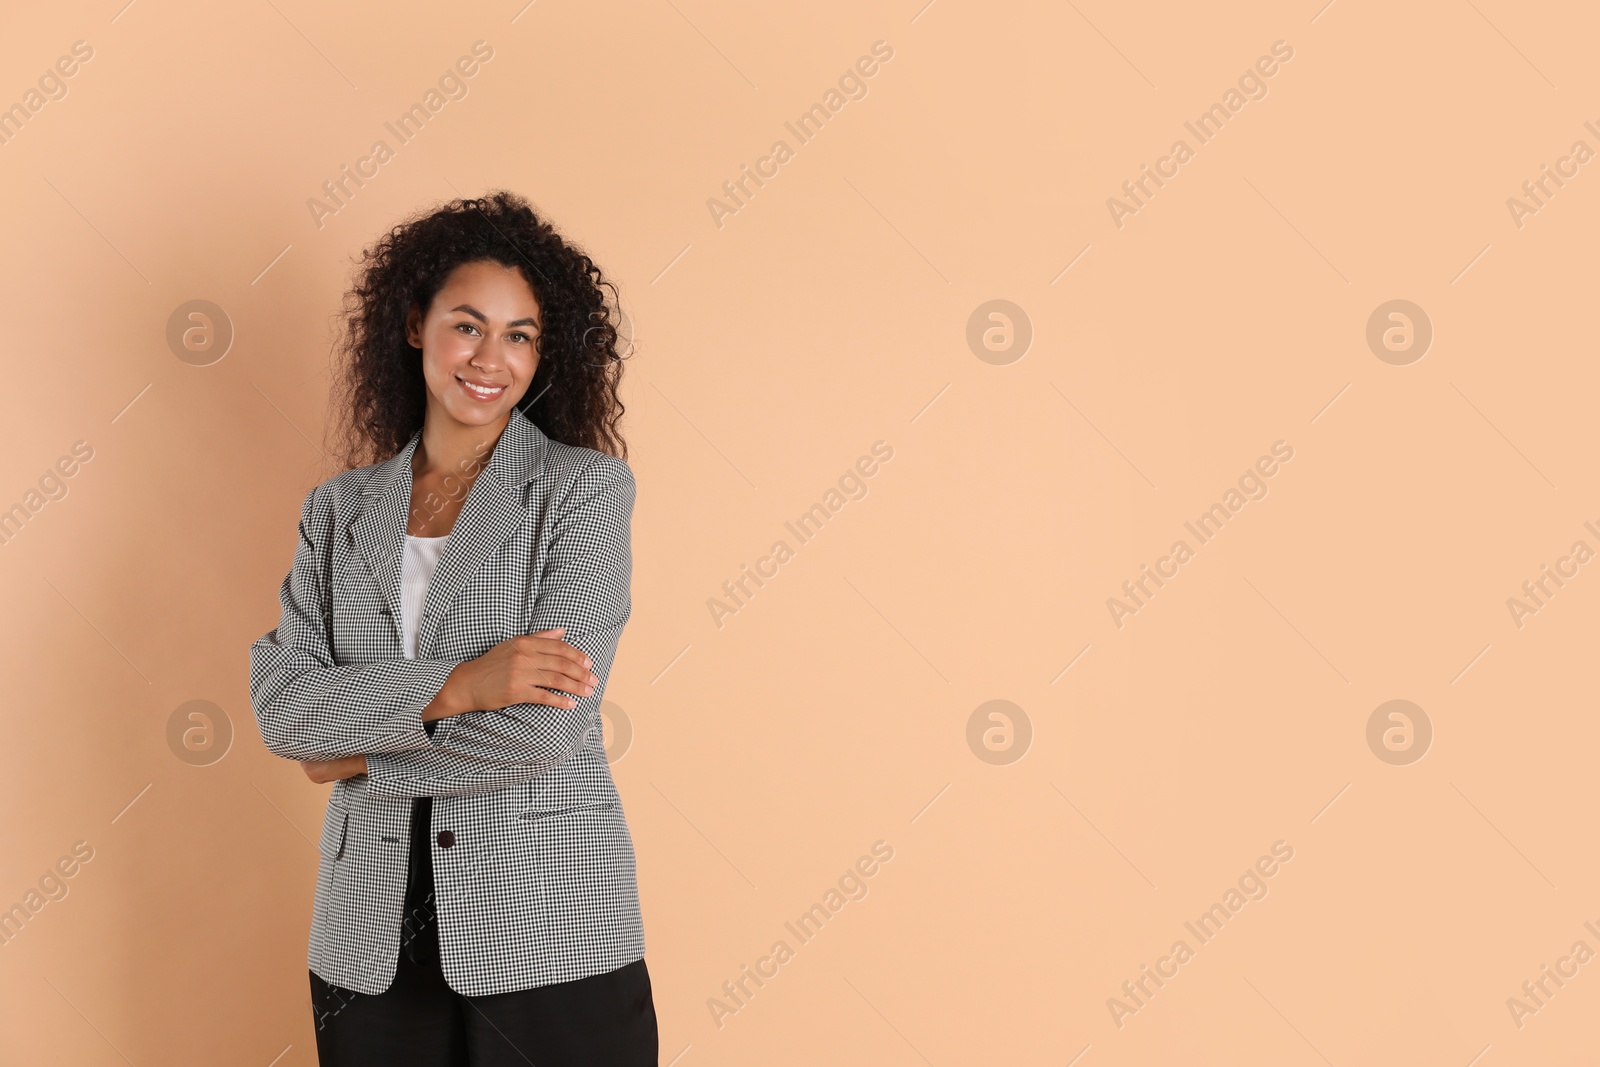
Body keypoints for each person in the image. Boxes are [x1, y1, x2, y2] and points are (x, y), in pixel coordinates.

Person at [248, 190, 657, 1065]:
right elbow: (285, 711)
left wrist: (352, 750)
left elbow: (548, 727)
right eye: (468, 326)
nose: (491, 358)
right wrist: (462, 685)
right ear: (414, 326)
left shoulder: (581, 492)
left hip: (549, 930)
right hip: (368, 940)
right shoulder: (339, 509)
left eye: (521, 335)